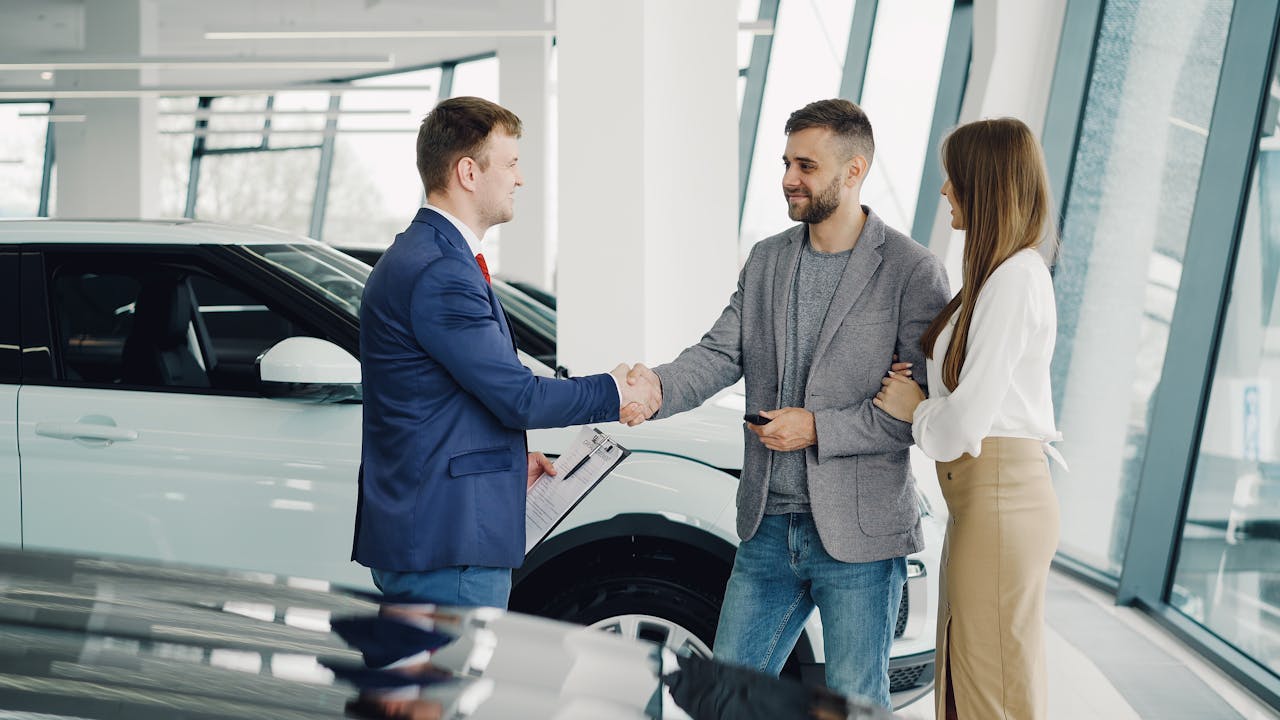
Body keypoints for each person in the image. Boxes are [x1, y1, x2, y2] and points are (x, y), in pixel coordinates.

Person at [627, 98, 950, 708]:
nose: (787, 179)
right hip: (768, 528)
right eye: (784, 162)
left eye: (805, 165)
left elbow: (913, 411)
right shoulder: (769, 259)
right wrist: (656, 388)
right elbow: (720, 353)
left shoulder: (912, 271)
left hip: (859, 537)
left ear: (853, 171)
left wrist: (817, 429)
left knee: (857, 702)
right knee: (723, 698)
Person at [352, 96, 660, 610]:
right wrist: (614, 390)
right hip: (448, 546)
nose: (520, 179)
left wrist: (508, 464)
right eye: (512, 164)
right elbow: (518, 397)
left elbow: (447, 399)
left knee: (431, 687)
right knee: (451, 688)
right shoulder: (440, 271)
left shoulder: (429, 255)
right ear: (468, 172)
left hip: (436, 533)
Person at [873, 117, 1062, 720]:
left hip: (1001, 499)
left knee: (991, 694)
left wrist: (916, 408)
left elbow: (961, 426)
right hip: (985, 504)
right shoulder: (998, 276)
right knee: (968, 681)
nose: (945, 191)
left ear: (983, 183)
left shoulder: (1014, 281)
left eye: (952, 179)